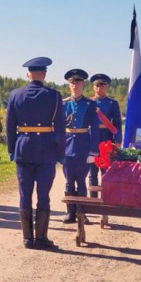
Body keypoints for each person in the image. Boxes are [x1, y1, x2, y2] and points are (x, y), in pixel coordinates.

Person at [6, 57, 65, 249]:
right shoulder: (54, 96)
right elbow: (60, 128)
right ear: (45, 74)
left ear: (28, 74)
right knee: (43, 194)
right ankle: (41, 238)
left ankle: (27, 239)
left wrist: (11, 150)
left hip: (23, 149)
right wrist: (59, 152)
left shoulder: (15, 95)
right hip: (46, 150)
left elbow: (9, 127)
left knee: (25, 193)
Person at [61, 69, 99, 223]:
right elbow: (57, 127)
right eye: (72, 82)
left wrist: (93, 151)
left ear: (83, 84)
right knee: (69, 181)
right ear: (69, 85)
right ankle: (70, 213)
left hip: (83, 145)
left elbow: (95, 128)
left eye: (77, 82)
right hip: (67, 145)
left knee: (82, 181)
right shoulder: (63, 104)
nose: (75, 85)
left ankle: (82, 213)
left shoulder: (90, 104)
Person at [88, 74, 122, 197]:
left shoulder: (112, 103)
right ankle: (93, 199)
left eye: (102, 85)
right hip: (92, 138)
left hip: (106, 137)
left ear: (106, 86)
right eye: (97, 85)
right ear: (93, 87)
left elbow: (117, 123)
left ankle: (106, 198)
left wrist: (118, 140)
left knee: (106, 170)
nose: (99, 88)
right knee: (92, 170)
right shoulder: (88, 102)